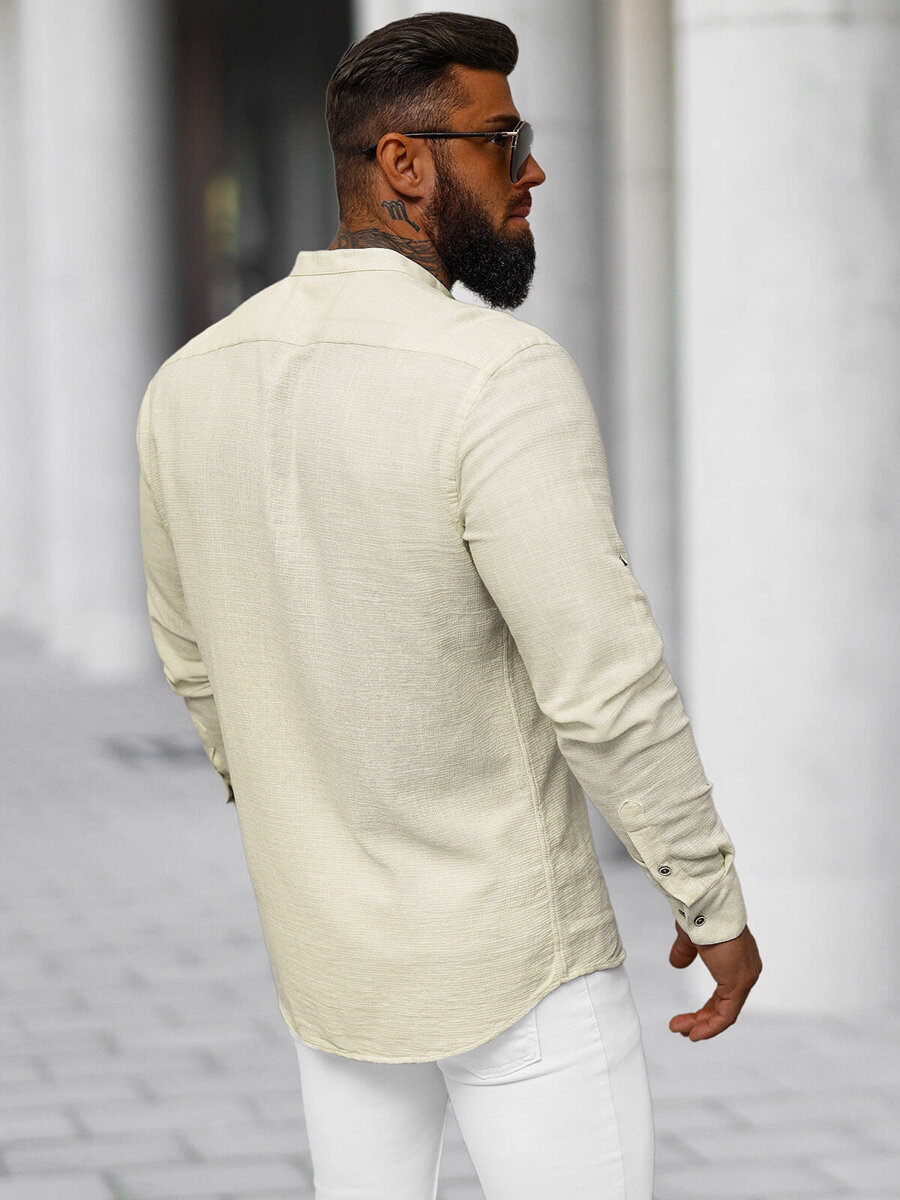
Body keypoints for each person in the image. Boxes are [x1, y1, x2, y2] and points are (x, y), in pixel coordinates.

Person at [136, 11, 762, 1200]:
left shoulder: (187, 385)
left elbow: (196, 666)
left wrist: (310, 814)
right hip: (516, 963)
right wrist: (707, 893)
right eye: (504, 139)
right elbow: (605, 683)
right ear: (404, 164)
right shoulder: (496, 377)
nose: (535, 168)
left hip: (331, 962)